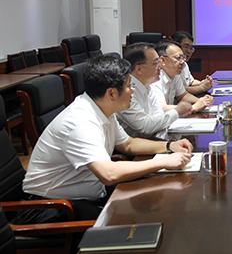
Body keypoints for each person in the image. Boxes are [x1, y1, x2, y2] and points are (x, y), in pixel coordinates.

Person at [19, 55, 194, 222]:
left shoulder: (102, 109)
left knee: (153, 198)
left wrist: (169, 146)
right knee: (138, 218)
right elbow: (109, 174)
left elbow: (128, 144)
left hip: (87, 195)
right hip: (50, 207)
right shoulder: (80, 121)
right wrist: (163, 162)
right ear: (111, 93)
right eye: (129, 85)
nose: (132, 91)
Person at [117, 43, 192, 139]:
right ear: (139, 69)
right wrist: (177, 112)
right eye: (155, 63)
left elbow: (158, 115)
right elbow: (145, 127)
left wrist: (155, 126)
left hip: (151, 139)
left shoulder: (148, 85)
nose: (160, 66)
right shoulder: (125, 91)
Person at [151, 40, 214, 113]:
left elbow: (182, 96)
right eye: (178, 58)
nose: (183, 62)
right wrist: (192, 108)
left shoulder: (174, 74)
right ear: (163, 60)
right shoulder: (155, 78)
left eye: (182, 57)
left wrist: (202, 101)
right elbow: (161, 108)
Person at [171, 31, 213, 95]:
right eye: (186, 47)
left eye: (191, 48)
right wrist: (202, 88)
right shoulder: (171, 66)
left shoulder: (184, 64)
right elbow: (179, 90)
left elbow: (191, 82)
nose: (189, 51)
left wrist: (203, 83)